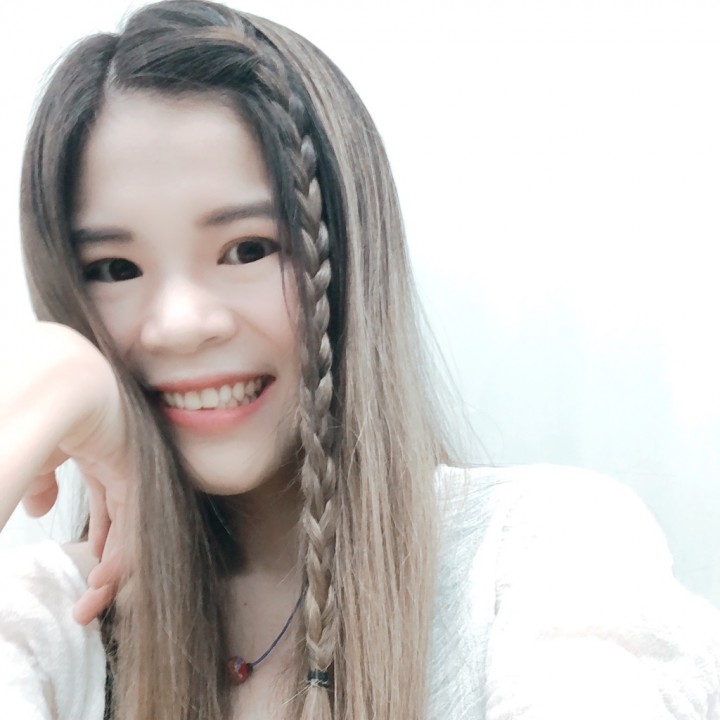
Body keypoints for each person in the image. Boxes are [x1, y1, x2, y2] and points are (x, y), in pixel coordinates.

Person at [1, 1, 719, 719]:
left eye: (248, 249)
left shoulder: (541, 561)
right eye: (114, 268)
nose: (181, 326)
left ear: (347, 261)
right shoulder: (48, 627)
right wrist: (44, 381)